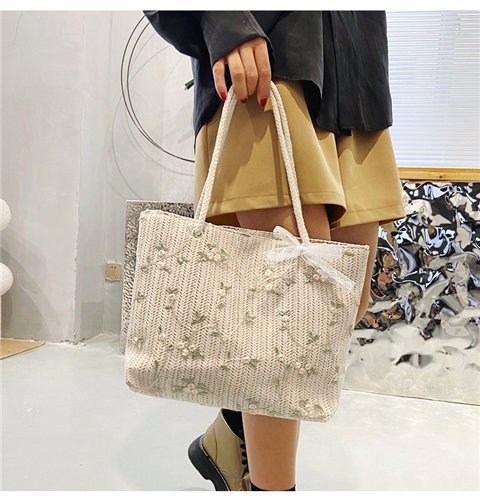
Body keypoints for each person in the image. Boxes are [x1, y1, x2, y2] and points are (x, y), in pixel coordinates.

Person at [144, 10, 406, 492]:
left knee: (338, 306)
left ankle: (231, 433)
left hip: (356, 75)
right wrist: (224, 21)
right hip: (267, 61)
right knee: (288, 315)